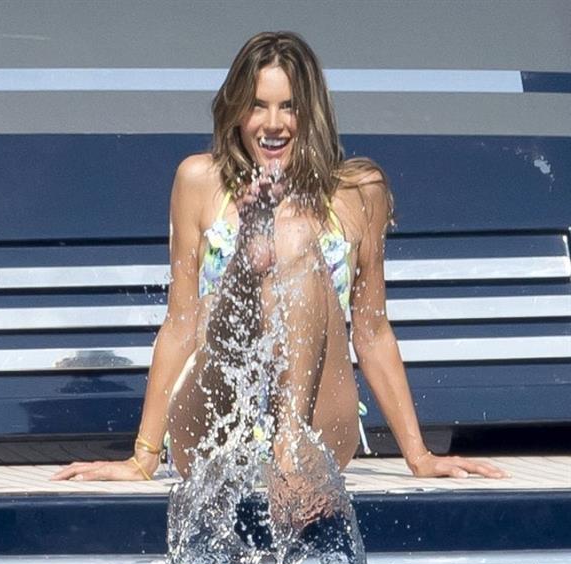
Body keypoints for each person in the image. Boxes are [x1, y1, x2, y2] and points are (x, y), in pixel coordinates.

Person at [52, 31, 507, 486]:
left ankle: (288, 440)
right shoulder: (197, 180)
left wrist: (420, 455)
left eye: (289, 106)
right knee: (237, 286)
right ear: (235, 112)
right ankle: (248, 260)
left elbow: (371, 331)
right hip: (218, 412)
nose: (273, 124)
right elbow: (181, 324)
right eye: (257, 105)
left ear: (312, 112)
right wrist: (142, 457)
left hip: (316, 420)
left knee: (291, 238)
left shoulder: (359, 192)